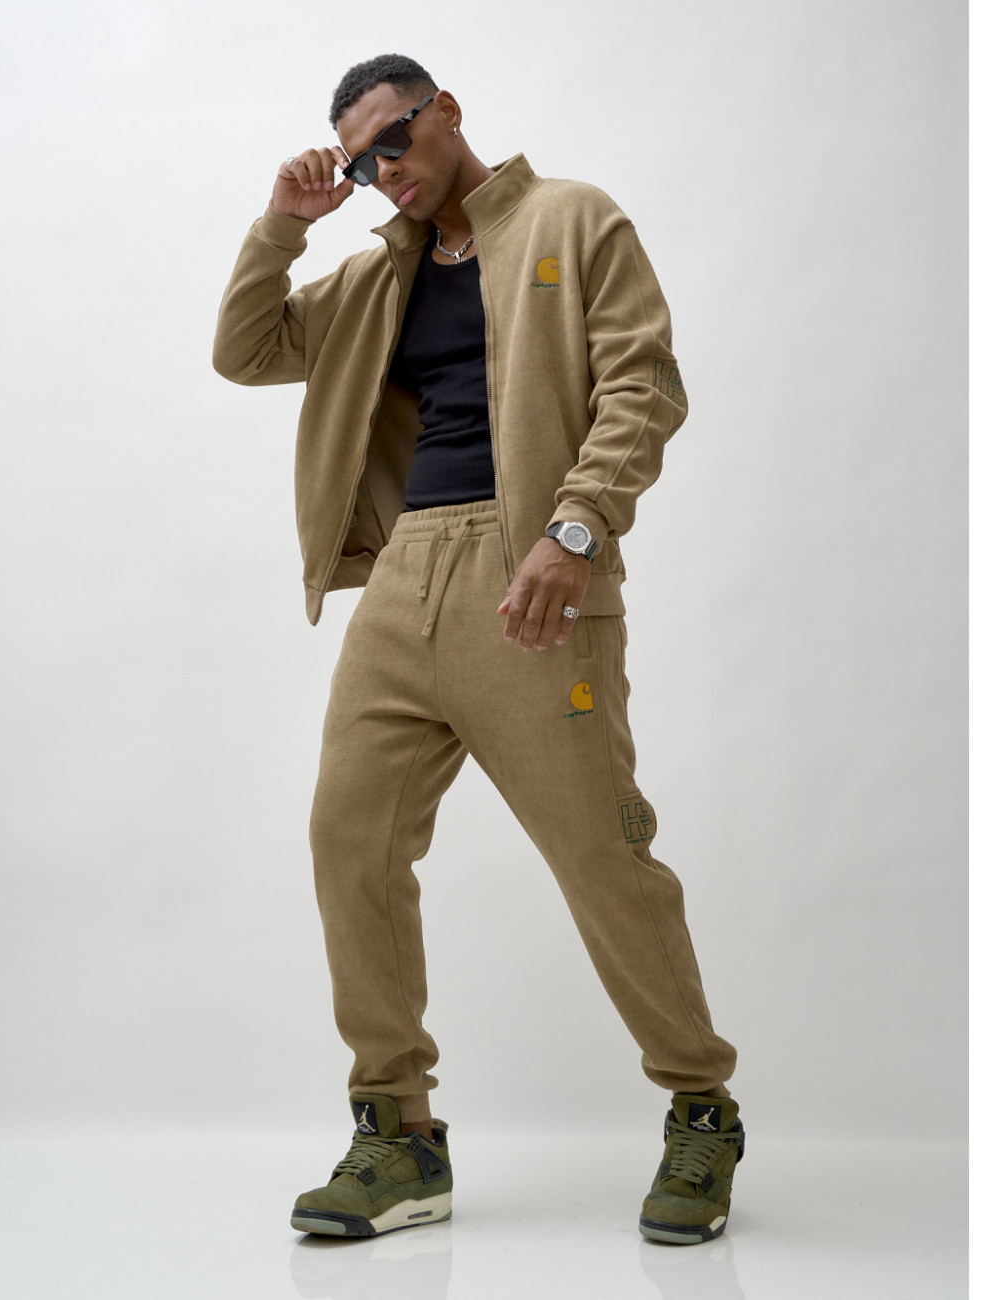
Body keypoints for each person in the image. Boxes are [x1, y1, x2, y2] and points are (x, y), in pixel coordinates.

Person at [213, 53, 744, 1246]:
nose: (381, 172)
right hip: (403, 579)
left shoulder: (571, 218)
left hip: (533, 575)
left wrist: (575, 526)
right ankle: (397, 1134)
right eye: (361, 163)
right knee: (348, 837)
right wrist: (284, 224)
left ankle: (701, 1107)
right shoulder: (373, 276)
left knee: (600, 854)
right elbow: (245, 350)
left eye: (393, 142)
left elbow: (644, 383)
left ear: (445, 111)